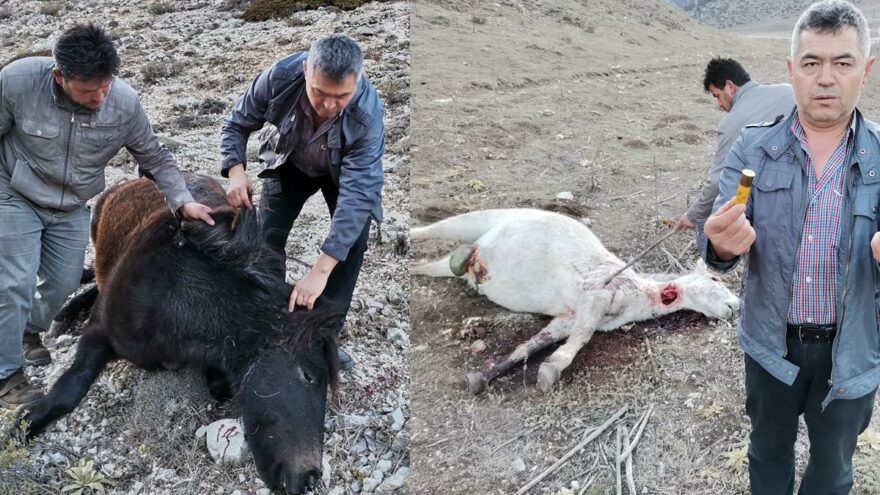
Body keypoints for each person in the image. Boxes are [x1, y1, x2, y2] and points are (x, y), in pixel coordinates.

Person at [703, 1, 878, 493]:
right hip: (769, 346)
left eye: (842, 63)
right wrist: (721, 245)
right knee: (767, 453)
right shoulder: (752, 148)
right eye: (811, 62)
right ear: (791, 69)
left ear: (865, 70)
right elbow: (718, 240)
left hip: (852, 351)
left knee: (833, 468)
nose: (826, 79)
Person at [0, 23, 214, 408]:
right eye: (88, 90)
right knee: (15, 280)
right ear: (60, 76)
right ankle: (7, 375)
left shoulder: (124, 104)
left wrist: (183, 202)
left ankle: (28, 330)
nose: (100, 96)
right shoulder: (17, 82)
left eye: (106, 85)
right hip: (15, 192)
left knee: (65, 281)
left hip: (71, 203)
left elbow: (155, 157)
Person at [219, 34, 384, 370]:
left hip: (342, 176)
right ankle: (269, 319)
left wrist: (319, 272)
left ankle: (321, 335)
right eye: (319, 92)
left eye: (341, 96)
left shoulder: (367, 115)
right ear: (306, 70)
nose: (328, 105)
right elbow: (236, 123)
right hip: (289, 161)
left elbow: (357, 197)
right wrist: (236, 172)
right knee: (265, 239)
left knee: (350, 246)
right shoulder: (279, 77)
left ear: (359, 79)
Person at [676, 58, 795, 253]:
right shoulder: (787, 90)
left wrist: (693, 216)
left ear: (730, 87)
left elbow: (718, 180)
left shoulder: (732, 123)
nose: (719, 104)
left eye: (717, 96)